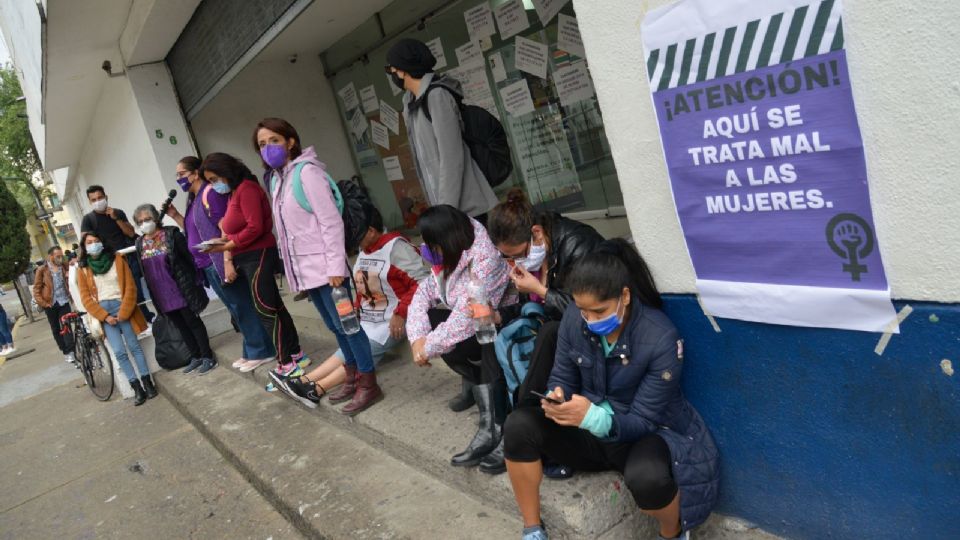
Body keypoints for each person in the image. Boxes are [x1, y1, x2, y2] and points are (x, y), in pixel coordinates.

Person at [502, 240, 720, 540]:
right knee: (518, 425)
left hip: (638, 436)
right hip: (587, 428)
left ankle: (672, 532)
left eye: (599, 311)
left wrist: (592, 417)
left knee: (649, 479)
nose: (589, 321)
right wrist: (557, 396)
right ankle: (532, 529)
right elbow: (561, 375)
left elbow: (645, 420)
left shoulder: (660, 338)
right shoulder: (572, 321)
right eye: (582, 311)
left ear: (625, 296)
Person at [254, 117, 381, 415]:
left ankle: (368, 383)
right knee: (335, 327)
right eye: (262, 144)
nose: (268, 148)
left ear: (290, 141)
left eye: (274, 140)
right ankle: (350, 377)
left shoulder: (307, 173)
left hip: (328, 269)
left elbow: (329, 222)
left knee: (349, 327)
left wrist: (337, 266)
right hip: (307, 271)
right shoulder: (276, 179)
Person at [278, 206, 428, 409]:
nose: (355, 244)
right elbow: (362, 286)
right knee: (351, 345)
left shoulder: (397, 248)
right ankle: (305, 381)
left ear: (372, 231)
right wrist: (357, 306)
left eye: (358, 237)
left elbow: (422, 284)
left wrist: (401, 313)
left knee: (364, 347)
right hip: (372, 316)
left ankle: (317, 388)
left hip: (396, 318)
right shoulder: (366, 248)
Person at [406, 205, 514, 469]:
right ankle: (479, 392)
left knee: (482, 333)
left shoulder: (484, 259)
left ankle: (496, 427)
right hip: (476, 322)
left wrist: (427, 348)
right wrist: (418, 338)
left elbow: (467, 317)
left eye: (431, 244)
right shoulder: (450, 255)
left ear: (446, 240)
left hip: (503, 319)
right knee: (432, 320)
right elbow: (423, 295)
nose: (427, 249)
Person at [487, 189, 604, 408]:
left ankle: (525, 411)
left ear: (537, 233)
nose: (515, 262)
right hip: (548, 325)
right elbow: (529, 305)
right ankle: (498, 420)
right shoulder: (538, 254)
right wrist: (497, 316)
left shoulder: (577, 243)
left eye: (517, 255)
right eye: (508, 257)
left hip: (588, 329)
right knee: (492, 337)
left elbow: (591, 309)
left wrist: (541, 291)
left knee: (548, 333)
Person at [199, 152, 308, 378]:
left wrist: (228, 244)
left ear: (225, 172)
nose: (213, 185)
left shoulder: (247, 188)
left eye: (213, 179)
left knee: (264, 309)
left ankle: (286, 364)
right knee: (274, 306)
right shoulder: (235, 193)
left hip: (257, 255)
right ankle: (295, 353)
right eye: (209, 181)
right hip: (247, 255)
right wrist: (222, 242)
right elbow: (238, 227)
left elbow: (256, 227)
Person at [166, 156, 276, 371]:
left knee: (242, 306)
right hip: (207, 263)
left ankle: (263, 350)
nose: (179, 179)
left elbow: (225, 228)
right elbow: (193, 232)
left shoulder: (210, 194)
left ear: (195, 173)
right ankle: (251, 349)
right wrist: (176, 216)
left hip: (219, 259)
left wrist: (227, 260)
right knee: (236, 309)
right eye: (176, 176)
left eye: (182, 174)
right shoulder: (193, 199)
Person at [386, 38, 498, 223]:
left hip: (466, 211)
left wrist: (447, 211)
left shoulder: (437, 96)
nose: (391, 74)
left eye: (391, 68)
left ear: (403, 68)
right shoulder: (411, 104)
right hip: (447, 213)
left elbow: (452, 157)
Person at [133, 204, 215, 375]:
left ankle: (207, 356)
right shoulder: (140, 243)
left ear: (156, 218)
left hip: (181, 289)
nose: (144, 223)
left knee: (192, 322)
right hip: (161, 294)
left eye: (147, 219)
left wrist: (196, 281)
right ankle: (196, 356)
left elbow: (188, 259)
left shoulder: (171, 234)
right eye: (140, 221)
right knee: (180, 326)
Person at [76, 232, 156, 406]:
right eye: (89, 242)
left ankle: (147, 383)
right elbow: (85, 298)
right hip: (104, 315)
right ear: (84, 247)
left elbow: (130, 287)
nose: (93, 244)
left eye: (96, 241)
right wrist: (105, 317)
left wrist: (124, 312)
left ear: (103, 242)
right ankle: (136, 388)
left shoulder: (117, 259)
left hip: (123, 308)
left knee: (135, 347)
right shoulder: (82, 269)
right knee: (119, 352)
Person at [80, 185, 156, 328]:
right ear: (90, 202)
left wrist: (116, 218)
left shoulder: (118, 212)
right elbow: (85, 241)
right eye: (94, 199)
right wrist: (80, 259)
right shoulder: (89, 219)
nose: (98, 201)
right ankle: (133, 322)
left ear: (106, 197)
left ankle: (147, 317)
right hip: (110, 263)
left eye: (100, 198)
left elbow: (130, 232)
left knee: (136, 290)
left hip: (128, 257)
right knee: (121, 294)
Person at [33, 246, 75, 363]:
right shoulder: (42, 270)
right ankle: (65, 350)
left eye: (61, 256)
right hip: (50, 304)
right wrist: (44, 303)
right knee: (56, 328)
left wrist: (69, 270)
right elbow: (36, 290)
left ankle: (71, 350)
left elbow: (74, 265)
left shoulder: (64, 265)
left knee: (66, 325)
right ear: (50, 256)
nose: (60, 258)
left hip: (64, 301)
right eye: (57, 256)